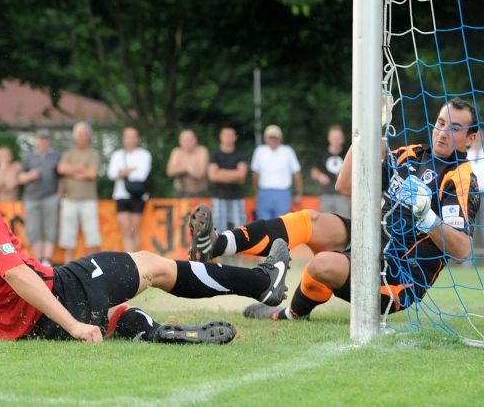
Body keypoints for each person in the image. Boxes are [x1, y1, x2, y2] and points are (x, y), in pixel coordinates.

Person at [0, 138, 292, 343]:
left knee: (112, 313)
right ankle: (263, 282)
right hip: (52, 301)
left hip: (14, 331)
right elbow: (19, 276)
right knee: (150, 264)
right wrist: (73, 325)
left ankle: (151, 332)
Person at [190, 98, 479, 322]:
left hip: (397, 276)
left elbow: (462, 250)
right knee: (309, 219)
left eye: (454, 128)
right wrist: (367, 130)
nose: (442, 132)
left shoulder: (462, 177)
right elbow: (345, 184)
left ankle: (288, 314)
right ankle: (219, 244)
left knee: (322, 265)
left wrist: (427, 218)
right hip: (373, 238)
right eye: (441, 123)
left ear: (471, 138)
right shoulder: (411, 154)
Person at [57, 122, 101, 263]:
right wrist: (81, 169)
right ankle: (67, 268)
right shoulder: (68, 154)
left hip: (89, 200)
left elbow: (92, 174)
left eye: (84, 134)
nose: (81, 137)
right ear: (75, 137)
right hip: (69, 199)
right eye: (79, 134)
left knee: (92, 237)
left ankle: (93, 267)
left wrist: (72, 172)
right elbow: (61, 169)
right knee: (68, 238)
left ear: (88, 137)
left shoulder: (93, 154)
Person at [17, 129, 61, 265]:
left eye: (45, 139)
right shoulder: (28, 156)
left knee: (50, 228)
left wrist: (59, 195)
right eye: (41, 139)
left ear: (49, 141)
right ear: (37, 140)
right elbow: (20, 178)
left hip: (50, 197)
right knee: (34, 229)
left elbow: (61, 178)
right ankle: (38, 261)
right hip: (31, 198)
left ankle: (47, 260)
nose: (43, 141)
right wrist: (30, 175)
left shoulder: (56, 156)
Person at [108, 126, 152, 252]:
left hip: (137, 196)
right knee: (126, 230)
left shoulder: (144, 154)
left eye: (133, 136)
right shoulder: (117, 155)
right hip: (121, 195)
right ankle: (130, 260)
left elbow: (141, 174)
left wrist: (122, 172)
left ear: (137, 139)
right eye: (128, 136)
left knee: (134, 229)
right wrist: (131, 170)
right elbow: (111, 174)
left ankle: (137, 263)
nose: (130, 139)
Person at [250, 124, 302, 220]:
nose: (273, 140)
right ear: (266, 138)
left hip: (283, 193)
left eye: (276, 137)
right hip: (264, 192)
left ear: (280, 138)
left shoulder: (288, 151)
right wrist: (257, 192)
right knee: (263, 224)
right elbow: (255, 174)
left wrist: (298, 193)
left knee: (281, 224)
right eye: (271, 137)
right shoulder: (259, 151)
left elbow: (296, 173)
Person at [208, 125, 249, 231]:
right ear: (221, 137)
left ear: (235, 137)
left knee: (240, 229)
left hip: (237, 197)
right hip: (219, 197)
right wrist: (234, 175)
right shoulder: (214, 155)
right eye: (226, 135)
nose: (228, 138)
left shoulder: (240, 155)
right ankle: (219, 248)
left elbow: (241, 176)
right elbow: (212, 176)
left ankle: (241, 248)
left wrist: (220, 172)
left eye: (231, 135)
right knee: (218, 228)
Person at [310, 125, 351, 218]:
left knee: (345, 221)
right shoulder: (322, 153)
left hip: (343, 196)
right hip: (326, 194)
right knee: (326, 222)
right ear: (329, 138)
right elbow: (314, 171)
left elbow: (355, 172)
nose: (336, 140)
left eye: (339, 137)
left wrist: (344, 175)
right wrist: (319, 176)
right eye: (334, 137)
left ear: (343, 139)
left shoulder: (348, 154)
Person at [165, 129, 209, 197]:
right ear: (180, 141)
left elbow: (201, 173)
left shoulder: (202, 151)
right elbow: (170, 171)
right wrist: (187, 169)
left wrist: (181, 169)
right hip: (180, 192)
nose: (188, 142)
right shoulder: (176, 152)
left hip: (199, 192)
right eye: (185, 140)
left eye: (190, 139)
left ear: (195, 139)